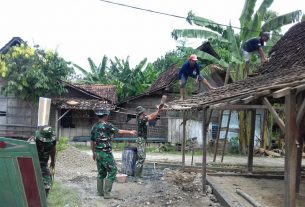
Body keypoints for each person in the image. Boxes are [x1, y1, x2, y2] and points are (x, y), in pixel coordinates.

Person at [91, 108, 137, 199]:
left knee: (101, 172)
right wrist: (130, 132)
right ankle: (107, 193)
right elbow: (119, 131)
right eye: (107, 115)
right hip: (106, 153)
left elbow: (92, 141)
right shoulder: (107, 125)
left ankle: (100, 193)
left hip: (98, 153)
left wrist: (93, 152)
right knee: (112, 171)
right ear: (105, 116)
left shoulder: (94, 126)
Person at [134, 105, 161, 183]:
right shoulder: (141, 119)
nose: (145, 112)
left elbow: (151, 116)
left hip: (142, 139)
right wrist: (158, 110)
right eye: (144, 111)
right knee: (141, 158)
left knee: (142, 158)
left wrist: (158, 111)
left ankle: (139, 175)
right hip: (140, 140)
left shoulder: (143, 118)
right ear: (141, 113)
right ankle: (137, 177)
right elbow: (152, 117)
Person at [34, 125, 56, 197]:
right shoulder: (34, 139)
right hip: (32, 163)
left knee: (47, 185)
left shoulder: (52, 141)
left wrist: (53, 161)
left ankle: (44, 200)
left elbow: (53, 149)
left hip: (43, 163)